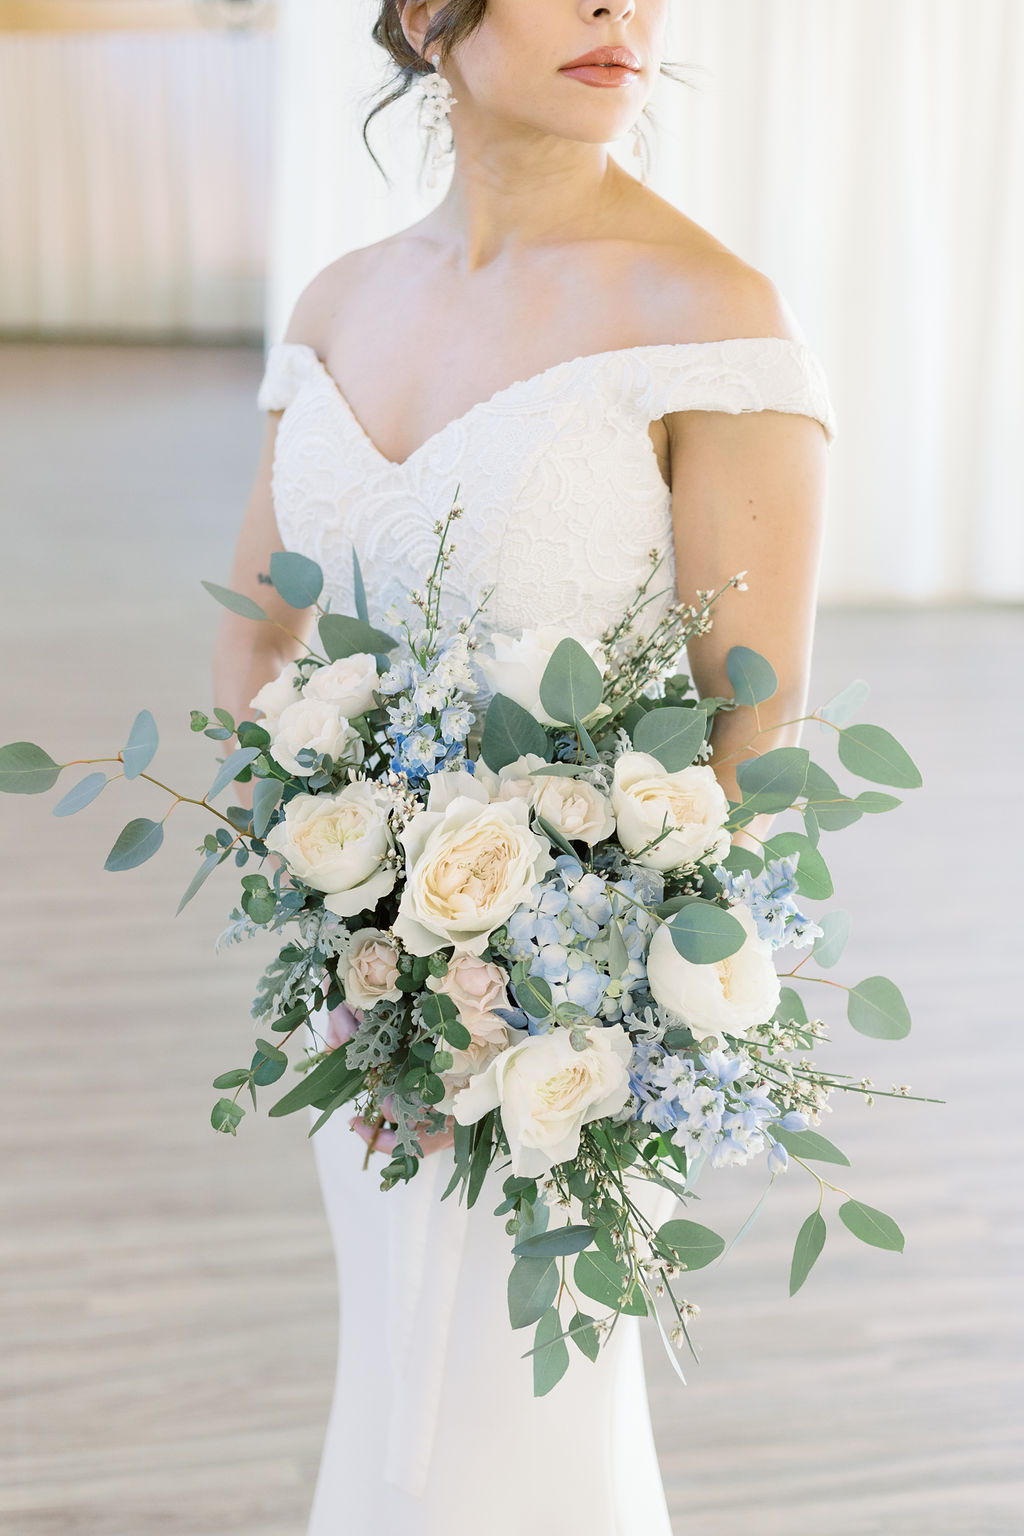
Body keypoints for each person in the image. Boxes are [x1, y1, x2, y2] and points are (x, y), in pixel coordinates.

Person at [212, 2, 837, 1531]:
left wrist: (592, 998)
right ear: (431, 16)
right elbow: (254, 642)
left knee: (525, 1417)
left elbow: (753, 733)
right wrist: (343, 914)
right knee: (396, 1395)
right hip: (373, 994)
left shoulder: (710, 310)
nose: (623, 9)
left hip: (584, 1036)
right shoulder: (340, 303)